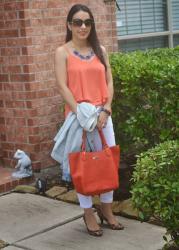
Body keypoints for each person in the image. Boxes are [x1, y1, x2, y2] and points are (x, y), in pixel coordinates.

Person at [54, 4, 124, 237]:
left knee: (107, 162)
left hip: (103, 117)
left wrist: (106, 109)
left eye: (87, 22)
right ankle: (88, 213)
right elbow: (62, 87)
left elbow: (109, 82)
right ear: (69, 25)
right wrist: (80, 114)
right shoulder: (62, 52)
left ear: (92, 25)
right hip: (78, 119)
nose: (83, 26)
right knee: (82, 164)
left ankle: (106, 209)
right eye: (77, 22)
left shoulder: (100, 50)